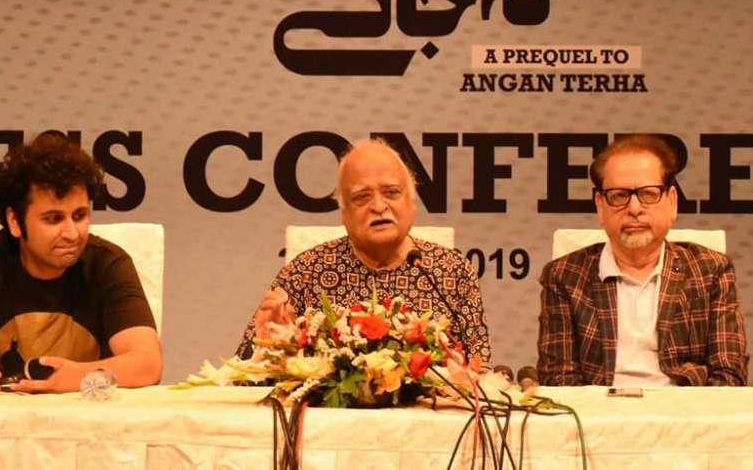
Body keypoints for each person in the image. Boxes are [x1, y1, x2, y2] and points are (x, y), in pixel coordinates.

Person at [0, 131, 162, 394]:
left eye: (79, 216)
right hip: (5, 415)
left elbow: (148, 364)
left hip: (91, 412)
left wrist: (77, 377)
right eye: (53, 219)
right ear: (15, 222)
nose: (72, 233)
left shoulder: (109, 263)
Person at [236, 139, 490, 362]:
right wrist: (272, 346)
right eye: (361, 197)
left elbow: (481, 371)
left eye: (392, 192)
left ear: (411, 202)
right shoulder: (306, 271)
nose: (378, 206)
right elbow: (244, 368)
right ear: (344, 211)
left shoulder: (452, 271)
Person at [538, 134, 747, 386]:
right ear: (600, 206)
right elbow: (559, 379)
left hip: (684, 407)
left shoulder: (711, 270)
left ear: (672, 202)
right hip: (598, 408)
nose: (634, 208)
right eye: (619, 196)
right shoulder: (564, 275)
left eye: (648, 194)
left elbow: (728, 374)